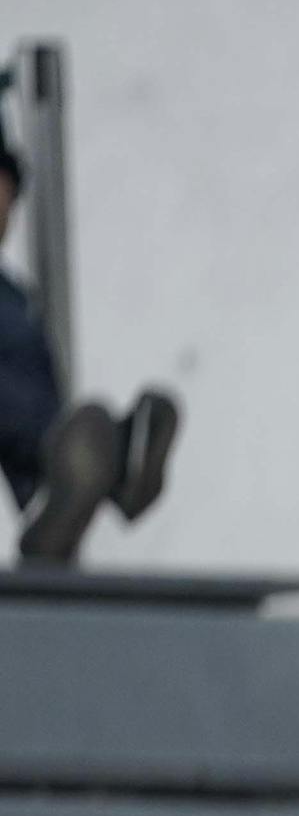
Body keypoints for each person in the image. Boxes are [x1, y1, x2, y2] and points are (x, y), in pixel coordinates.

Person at [0, 139, 178, 566]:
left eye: (6, 203)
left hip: (32, 450)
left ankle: (103, 467)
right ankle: (89, 476)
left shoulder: (17, 304)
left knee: (75, 431)